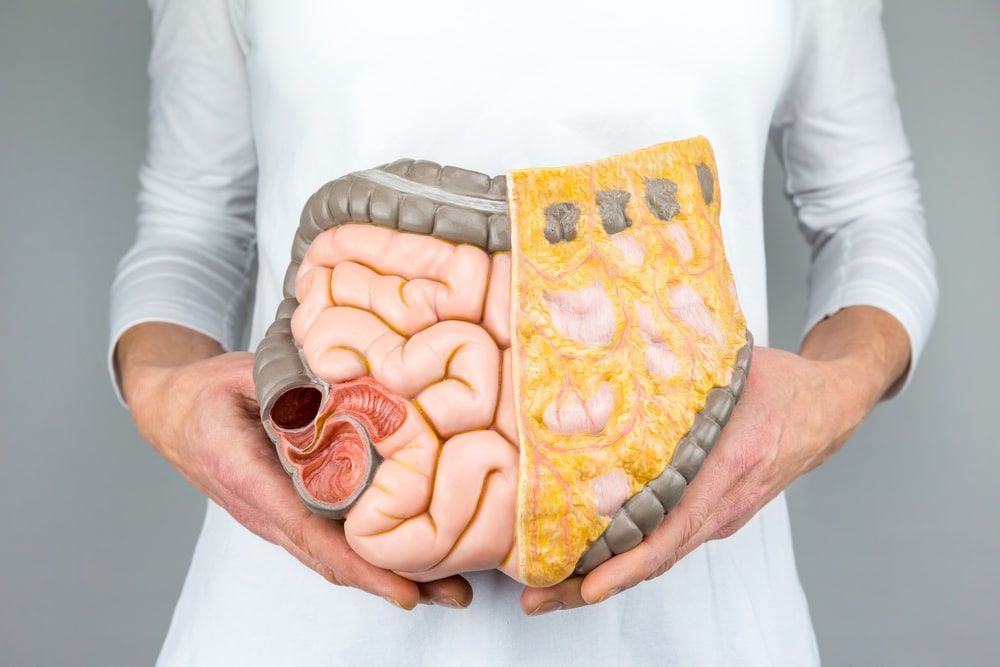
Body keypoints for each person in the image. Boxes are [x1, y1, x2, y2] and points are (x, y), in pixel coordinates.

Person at [109, 1, 938, 664]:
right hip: (296, 627)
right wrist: (161, 392)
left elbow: (870, 212)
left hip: (698, 631)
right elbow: (190, 227)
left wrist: (830, 391)